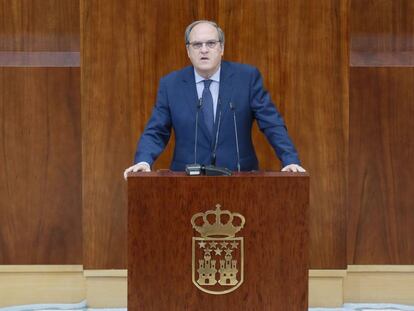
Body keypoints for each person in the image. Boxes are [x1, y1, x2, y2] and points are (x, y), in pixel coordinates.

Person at [124, 20, 305, 179]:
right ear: (188, 51)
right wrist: (144, 161)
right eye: (197, 44)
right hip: (185, 181)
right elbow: (157, 130)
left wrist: (289, 160)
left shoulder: (246, 78)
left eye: (211, 43)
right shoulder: (171, 84)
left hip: (240, 177)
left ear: (222, 48)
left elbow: (271, 123)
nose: (204, 50)